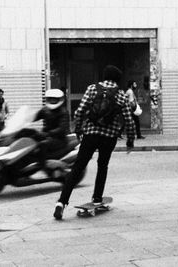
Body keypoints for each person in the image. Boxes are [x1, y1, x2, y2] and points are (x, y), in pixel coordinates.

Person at [53, 65, 136, 220]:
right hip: (109, 137)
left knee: (78, 167)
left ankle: (61, 202)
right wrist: (130, 141)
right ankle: (97, 198)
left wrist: (78, 129)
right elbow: (129, 120)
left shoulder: (92, 89)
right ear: (117, 79)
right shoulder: (121, 95)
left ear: (104, 76)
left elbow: (80, 111)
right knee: (102, 166)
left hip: (90, 134)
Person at [29, 88, 70, 175]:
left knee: (42, 144)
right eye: (50, 98)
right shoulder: (45, 110)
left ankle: (43, 168)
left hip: (59, 139)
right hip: (47, 136)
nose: (52, 100)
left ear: (60, 99)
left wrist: (48, 133)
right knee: (30, 138)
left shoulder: (63, 112)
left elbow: (62, 129)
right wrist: (25, 119)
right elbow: (35, 117)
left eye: (54, 99)